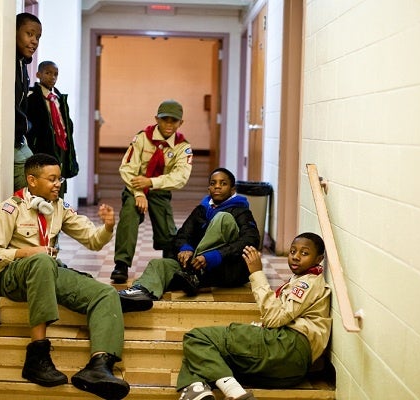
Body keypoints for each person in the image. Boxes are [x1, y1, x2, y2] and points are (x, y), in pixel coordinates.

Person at [0, 153, 149, 399]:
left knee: (104, 293)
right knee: (41, 260)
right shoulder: (10, 208)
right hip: (15, 277)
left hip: (50, 271)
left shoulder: (59, 207)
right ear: (32, 180)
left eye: (59, 178)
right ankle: (37, 356)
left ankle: (99, 366)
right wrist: (28, 252)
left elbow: (92, 240)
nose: (59, 183)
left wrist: (108, 226)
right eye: (52, 179)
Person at [175, 232, 332, 400]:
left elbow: (274, 318)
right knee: (209, 358)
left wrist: (256, 273)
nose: (295, 257)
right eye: (293, 251)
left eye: (304, 253)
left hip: (287, 347)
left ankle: (235, 393)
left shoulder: (307, 282)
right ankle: (196, 390)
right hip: (291, 370)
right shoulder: (303, 280)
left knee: (197, 338)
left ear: (319, 259)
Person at [117, 167, 259, 308]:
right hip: (195, 272)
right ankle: (140, 293)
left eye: (223, 183)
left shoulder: (241, 211)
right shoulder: (202, 209)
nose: (217, 186)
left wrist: (212, 256)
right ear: (208, 188)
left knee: (223, 218)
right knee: (158, 264)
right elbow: (183, 234)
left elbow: (250, 239)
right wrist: (185, 248)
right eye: (213, 183)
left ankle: (194, 273)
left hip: (226, 269)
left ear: (232, 190)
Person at [111, 99, 193, 283]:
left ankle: (170, 265)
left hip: (159, 190)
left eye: (174, 121)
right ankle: (121, 264)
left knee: (167, 231)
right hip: (135, 187)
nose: (169, 125)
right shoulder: (142, 138)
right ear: (157, 119)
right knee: (129, 216)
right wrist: (139, 192)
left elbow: (180, 177)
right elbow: (127, 168)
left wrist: (151, 182)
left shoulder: (182, 147)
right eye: (165, 120)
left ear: (181, 123)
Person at [26, 61, 79, 198]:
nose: (52, 77)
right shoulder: (32, 96)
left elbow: (65, 121)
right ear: (38, 74)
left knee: (59, 181)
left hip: (61, 144)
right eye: (48, 73)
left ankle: (58, 213)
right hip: (43, 146)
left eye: (55, 74)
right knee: (45, 182)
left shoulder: (58, 98)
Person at [14, 12, 42, 192]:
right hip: (11, 138)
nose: (34, 41)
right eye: (29, 34)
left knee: (39, 175)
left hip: (19, 138)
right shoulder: (7, 62)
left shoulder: (22, 65)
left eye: (38, 37)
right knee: (30, 184)